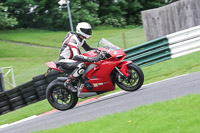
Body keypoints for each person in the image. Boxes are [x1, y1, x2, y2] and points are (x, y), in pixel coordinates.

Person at [59, 22, 101, 92]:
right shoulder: (73, 40)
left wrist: (101, 50)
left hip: (72, 60)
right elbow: (76, 56)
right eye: (86, 31)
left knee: (88, 64)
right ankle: (68, 82)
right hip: (65, 60)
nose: (88, 32)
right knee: (82, 65)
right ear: (80, 31)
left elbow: (88, 49)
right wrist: (91, 59)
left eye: (89, 30)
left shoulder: (81, 38)